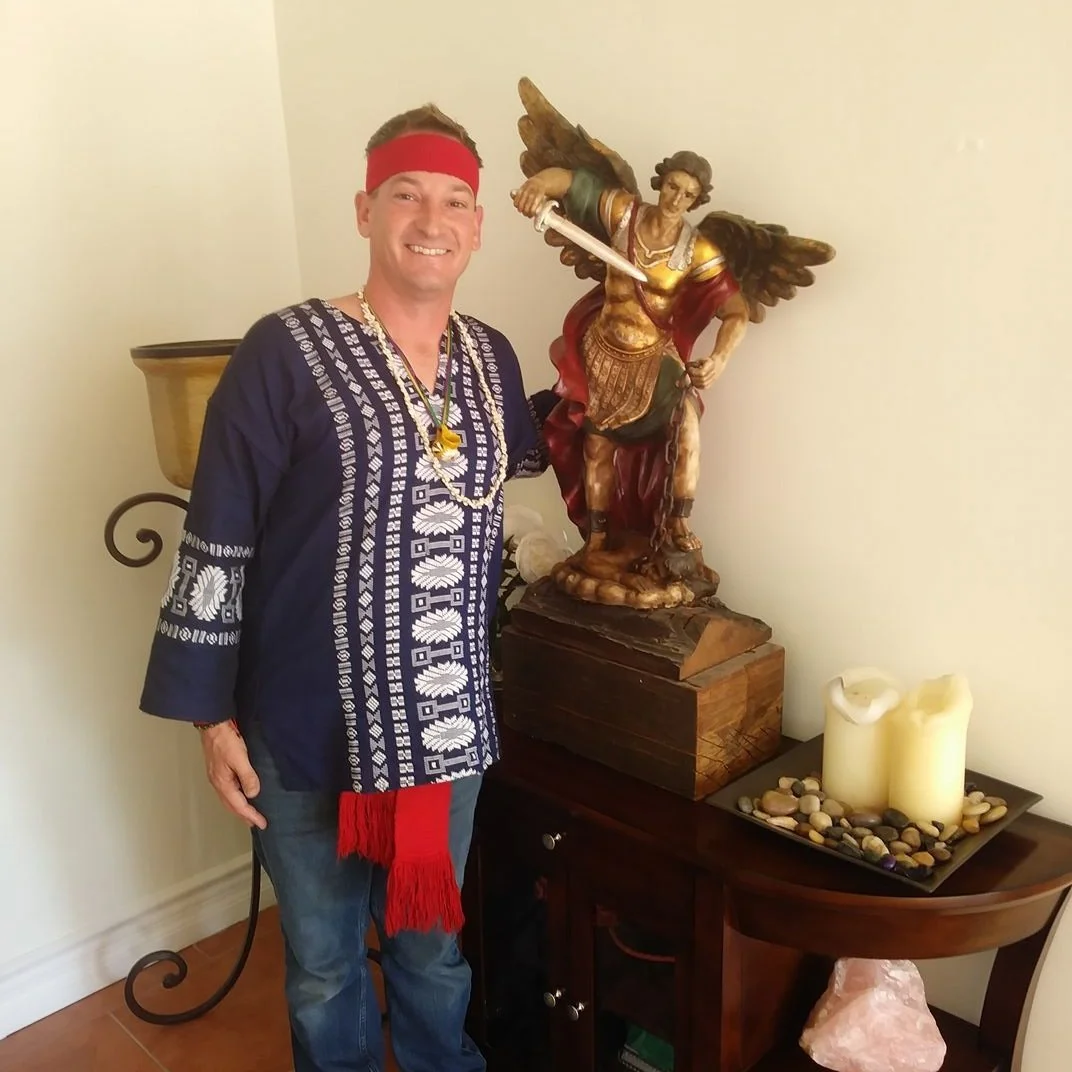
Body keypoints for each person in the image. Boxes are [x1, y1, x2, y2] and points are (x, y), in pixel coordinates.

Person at [139, 102, 554, 1072]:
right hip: (302, 723)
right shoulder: (281, 351)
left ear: (479, 224)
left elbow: (512, 467)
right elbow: (218, 533)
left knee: (430, 944)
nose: (431, 217)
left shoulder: (491, 356)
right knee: (324, 964)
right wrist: (213, 720)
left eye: (455, 198)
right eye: (406, 193)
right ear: (365, 209)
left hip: (443, 724)